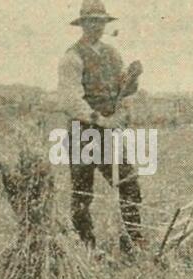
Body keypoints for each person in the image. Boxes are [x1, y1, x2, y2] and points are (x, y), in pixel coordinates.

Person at [58, 0, 145, 255]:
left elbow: (124, 90)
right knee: (82, 193)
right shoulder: (71, 57)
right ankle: (87, 248)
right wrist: (99, 119)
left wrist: (124, 111)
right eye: (91, 21)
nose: (96, 26)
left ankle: (131, 243)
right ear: (82, 24)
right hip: (84, 133)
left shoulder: (113, 55)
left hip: (110, 133)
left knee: (128, 183)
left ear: (105, 24)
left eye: (100, 21)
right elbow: (71, 100)